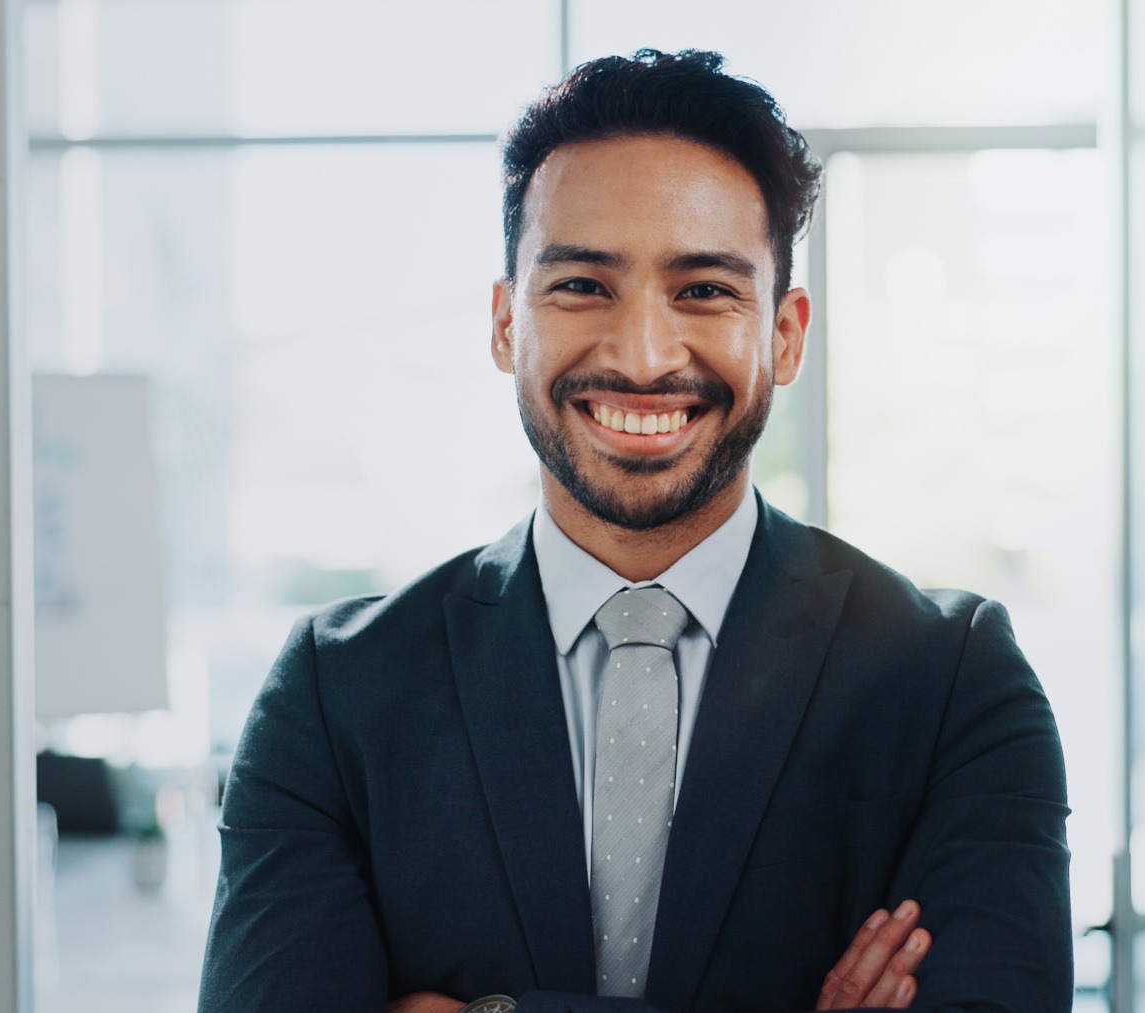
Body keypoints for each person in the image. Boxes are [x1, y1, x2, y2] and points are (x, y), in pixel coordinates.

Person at [198, 49, 1071, 1013]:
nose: (644, 356)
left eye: (703, 290)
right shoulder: (338, 690)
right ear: (504, 323)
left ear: (784, 334)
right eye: (582, 286)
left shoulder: (952, 681)